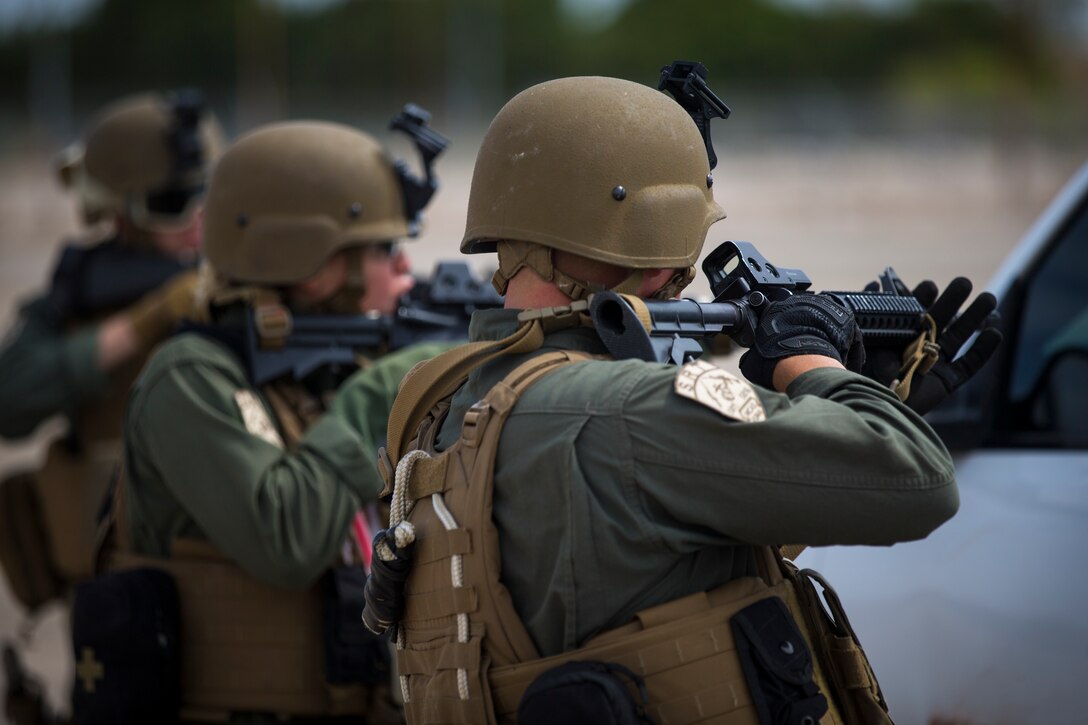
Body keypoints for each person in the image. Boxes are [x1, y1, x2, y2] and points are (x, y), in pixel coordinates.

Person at [370, 73, 1001, 724]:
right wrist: (808, 356)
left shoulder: (446, 402)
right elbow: (916, 480)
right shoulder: (623, 407)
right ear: (653, 232)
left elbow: (656, 541)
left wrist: (854, 402)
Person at [85, 119, 452, 724]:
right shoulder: (190, 378)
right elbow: (285, 537)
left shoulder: (322, 370)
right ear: (311, 266)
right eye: (384, 248)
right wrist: (386, 389)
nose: (406, 267)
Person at [0, 90, 224, 608]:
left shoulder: (242, 273)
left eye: (210, 194)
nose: (197, 217)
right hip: (114, 592)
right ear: (120, 211)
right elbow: (9, 398)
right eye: (172, 203)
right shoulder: (81, 294)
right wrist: (141, 325)